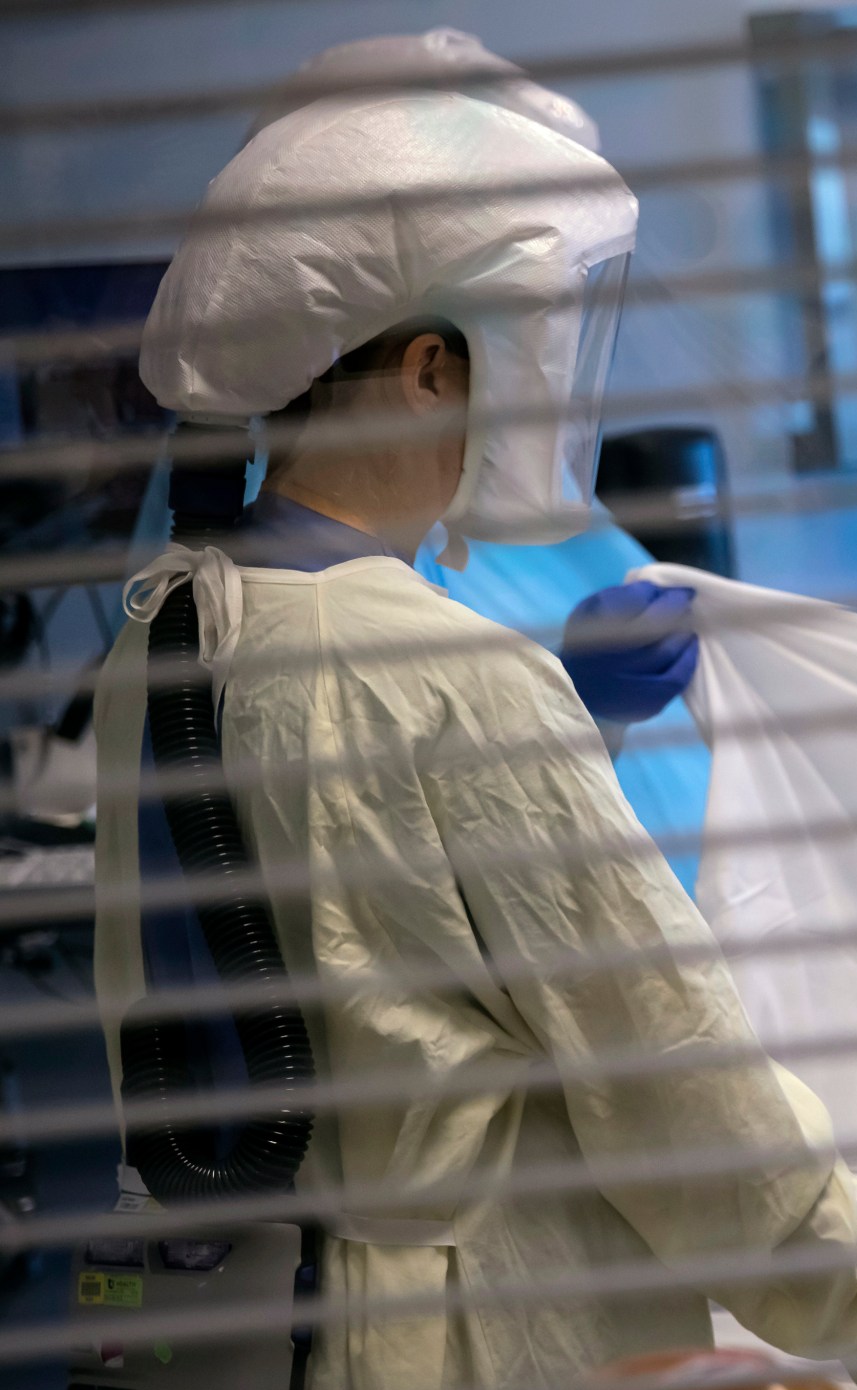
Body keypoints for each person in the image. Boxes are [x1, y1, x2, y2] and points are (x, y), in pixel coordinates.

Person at [92, 88, 857, 1390]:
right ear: (429, 368)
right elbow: (685, 1100)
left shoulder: (169, 627)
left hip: (278, 1339)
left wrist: (562, 735)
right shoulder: (446, 670)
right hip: (491, 1357)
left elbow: (363, 911)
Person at [244, 28, 713, 889]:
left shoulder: (507, 488)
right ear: (428, 358)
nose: (555, 353)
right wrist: (570, 704)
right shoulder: (301, 537)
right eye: (536, 312)